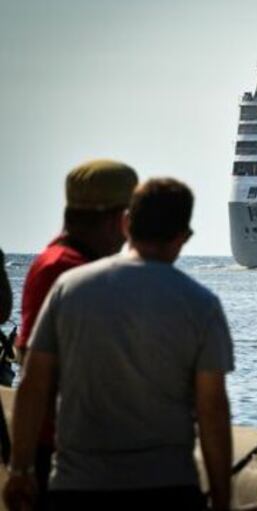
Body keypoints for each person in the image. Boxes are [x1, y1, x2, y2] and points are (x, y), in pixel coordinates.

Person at [4, 178, 234, 511]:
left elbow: (33, 384)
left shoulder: (70, 288)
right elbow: (212, 409)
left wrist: (20, 469)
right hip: (168, 489)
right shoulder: (202, 304)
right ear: (183, 237)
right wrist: (222, 497)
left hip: (78, 487)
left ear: (127, 223)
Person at [13, 159, 138, 501]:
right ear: (120, 219)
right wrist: (20, 468)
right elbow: (34, 376)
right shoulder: (63, 271)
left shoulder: (70, 264)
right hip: (66, 456)